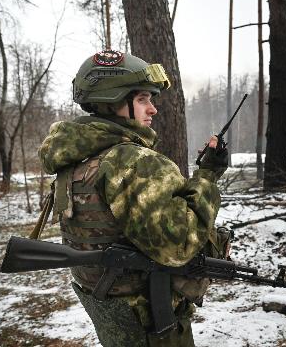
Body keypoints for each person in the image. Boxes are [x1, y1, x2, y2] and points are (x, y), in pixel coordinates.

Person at [38, 50, 230, 346]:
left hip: (112, 315)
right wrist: (207, 175)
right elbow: (179, 245)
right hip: (151, 323)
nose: (153, 109)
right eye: (142, 99)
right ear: (113, 100)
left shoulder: (77, 160)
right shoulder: (132, 163)